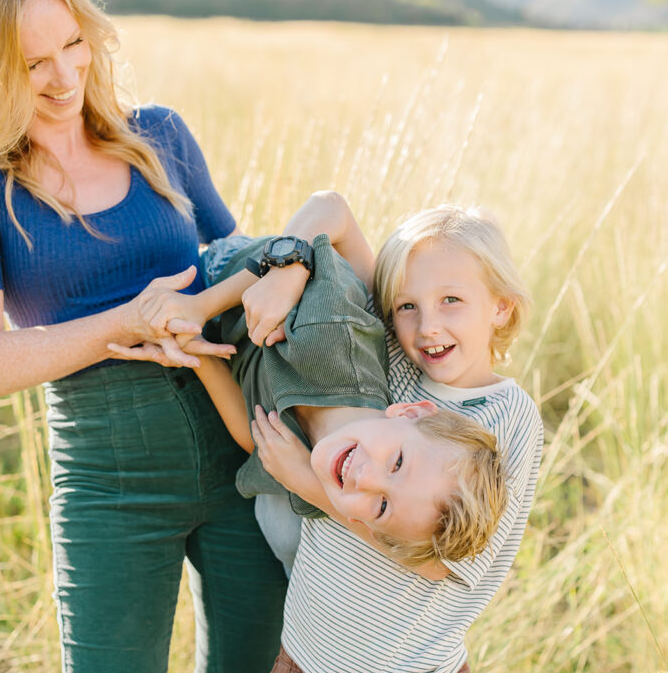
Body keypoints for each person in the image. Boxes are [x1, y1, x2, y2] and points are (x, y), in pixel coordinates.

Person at [0, 0, 289, 673]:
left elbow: (228, 270)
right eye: (31, 59)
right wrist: (127, 322)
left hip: (239, 456)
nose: (63, 76)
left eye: (73, 42)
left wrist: (258, 281)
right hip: (109, 483)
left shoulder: (160, 138)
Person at [246, 201, 544, 673]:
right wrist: (291, 268)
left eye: (450, 301)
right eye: (405, 305)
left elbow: (450, 562)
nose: (426, 325)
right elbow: (333, 214)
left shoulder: (507, 417)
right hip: (307, 671)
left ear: (498, 307)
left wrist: (311, 485)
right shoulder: (393, 370)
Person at [114, 226, 509, 573]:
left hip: (209, 333)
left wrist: (196, 352)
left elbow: (254, 438)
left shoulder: (312, 486)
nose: (366, 479)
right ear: (407, 412)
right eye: (397, 462)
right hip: (227, 271)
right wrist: (201, 306)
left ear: (365, 527)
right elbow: (304, 247)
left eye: (382, 507)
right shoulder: (334, 336)